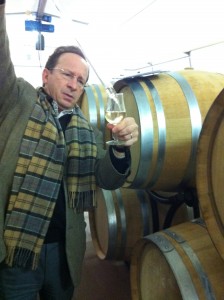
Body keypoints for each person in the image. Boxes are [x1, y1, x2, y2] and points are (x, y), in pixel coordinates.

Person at [0, 1, 138, 299]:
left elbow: (106, 179)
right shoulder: (19, 101)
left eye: (81, 81)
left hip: (65, 250)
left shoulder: (85, 128)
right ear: (46, 76)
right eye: (67, 75)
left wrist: (119, 149)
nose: (74, 85)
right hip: (17, 248)